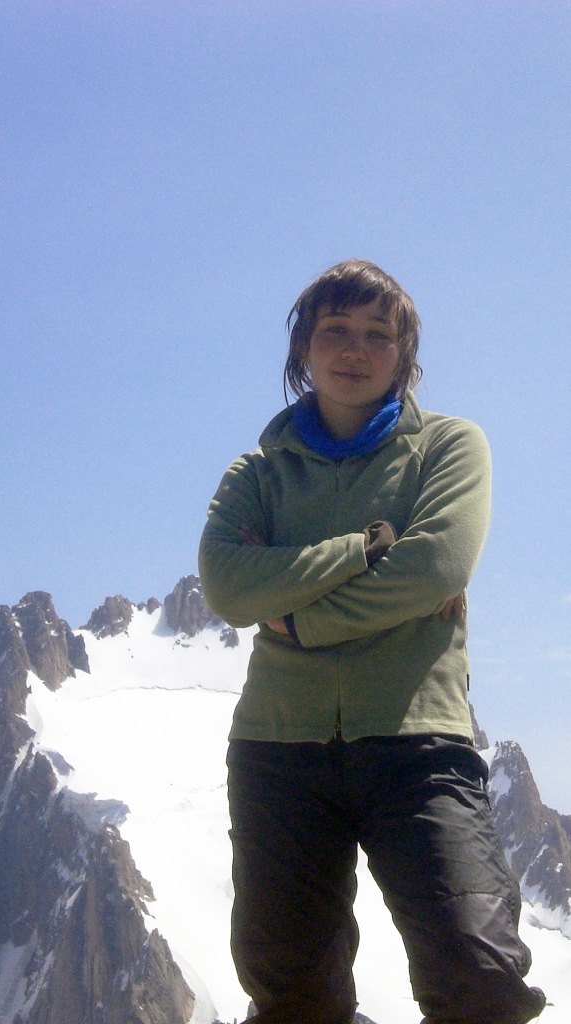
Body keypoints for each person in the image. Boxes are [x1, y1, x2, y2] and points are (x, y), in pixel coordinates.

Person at [198, 259, 546, 1024]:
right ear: (303, 350)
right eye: (335, 331)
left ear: (403, 355)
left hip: (417, 743)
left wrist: (297, 619)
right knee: (292, 997)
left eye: (376, 335)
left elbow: (435, 568)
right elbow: (226, 587)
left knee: (480, 977)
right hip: (276, 750)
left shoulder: (448, 446)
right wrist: (362, 550)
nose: (354, 349)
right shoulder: (256, 473)